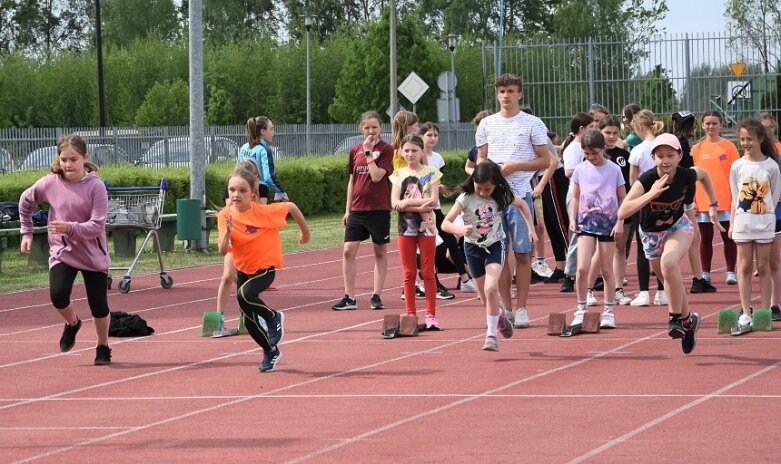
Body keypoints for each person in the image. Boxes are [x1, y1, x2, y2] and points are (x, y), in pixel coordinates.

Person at [618, 133, 722, 354]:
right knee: (670, 280)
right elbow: (622, 211)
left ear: (679, 156)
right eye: (660, 156)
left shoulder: (686, 175)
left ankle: (674, 319)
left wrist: (713, 204)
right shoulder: (646, 180)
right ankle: (687, 322)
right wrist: (651, 194)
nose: (665, 160)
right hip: (651, 235)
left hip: (678, 227)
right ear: (653, 157)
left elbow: (704, 176)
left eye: (670, 155)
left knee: (669, 263)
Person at [18, 134, 113, 365]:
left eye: (73, 159)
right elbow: (25, 201)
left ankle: (103, 346)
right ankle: (73, 323)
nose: (68, 165)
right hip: (63, 252)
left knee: (98, 305)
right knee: (58, 295)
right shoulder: (50, 182)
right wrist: (26, 232)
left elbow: (96, 226)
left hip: (93, 255)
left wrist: (68, 227)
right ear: (58, 160)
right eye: (63, 160)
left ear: (84, 158)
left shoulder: (96, 187)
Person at [217, 166, 310, 372]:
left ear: (252, 193)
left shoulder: (263, 212)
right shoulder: (225, 216)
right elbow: (223, 251)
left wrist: (305, 233)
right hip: (244, 271)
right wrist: (227, 234)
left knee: (244, 294)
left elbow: (292, 207)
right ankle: (270, 351)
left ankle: (272, 317)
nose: (236, 194)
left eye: (242, 190)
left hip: (265, 269)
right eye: (232, 190)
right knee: (249, 318)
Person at [476, 73, 551, 329]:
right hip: (493, 199)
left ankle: (522, 308)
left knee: (522, 253)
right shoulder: (486, 124)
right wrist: (488, 173)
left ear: (520, 94)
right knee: (500, 254)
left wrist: (515, 166)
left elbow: (546, 160)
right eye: (501, 91)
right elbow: (481, 160)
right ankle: (506, 307)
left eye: (510, 91)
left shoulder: (531, 123)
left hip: (519, 195)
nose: (506, 96)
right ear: (496, 94)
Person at [442, 160, 536, 351]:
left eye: (488, 189)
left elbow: (523, 206)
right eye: (480, 188)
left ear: (496, 185)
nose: (484, 193)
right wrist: (460, 229)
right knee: (485, 299)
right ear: (473, 182)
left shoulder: (502, 195)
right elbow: (445, 224)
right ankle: (500, 317)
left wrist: (531, 229)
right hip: (472, 248)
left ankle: (491, 335)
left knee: (491, 287)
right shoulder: (465, 198)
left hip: (495, 244)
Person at [332, 111, 394, 311]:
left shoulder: (386, 150)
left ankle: (376, 295)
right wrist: (347, 209)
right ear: (361, 129)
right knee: (348, 250)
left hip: (378, 208)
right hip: (358, 209)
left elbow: (376, 176)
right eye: (367, 127)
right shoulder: (355, 150)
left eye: (374, 127)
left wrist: (369, 153)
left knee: (379, 250)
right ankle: (349, 296)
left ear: (381, 128)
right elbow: (352, 180)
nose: (370, 131)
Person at [569, 129, 626, 328]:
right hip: (586, 222)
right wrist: (572, 218)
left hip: (608, 224)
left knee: (606, 269)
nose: (591, 157)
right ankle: (581, 308)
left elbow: (622, 197)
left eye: (595, 153)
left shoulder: (613, 170)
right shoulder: (580, 169)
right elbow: (576, 196)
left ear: (603, 148)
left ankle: (609, 311)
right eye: (587, 154)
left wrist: (620, 221)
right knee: (582, 268)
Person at [729, 118, 781, 328]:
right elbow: (735, 195)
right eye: (742, 139)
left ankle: (764, 312)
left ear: (760, 138)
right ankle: (746, 311)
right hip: (744, 224)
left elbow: (775, 195)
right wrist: (737, 220)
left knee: (764, 266)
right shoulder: (737, 166)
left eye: (749, 139)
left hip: (765, 224)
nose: (746, 143)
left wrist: (766, 215)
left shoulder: (771, 166)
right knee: (743, 267)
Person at [390, 134, 442, 330]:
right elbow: (394, 202)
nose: (410, 154)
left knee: (428, 272)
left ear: (422, 151)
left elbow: (433, 201)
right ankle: (410, 313)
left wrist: (408, 203)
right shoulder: (397, 175)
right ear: (401, 153)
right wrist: (418, 206)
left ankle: (431, 315)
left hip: (427, 227)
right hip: (405, 228)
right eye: (407, 150)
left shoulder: (432, 173)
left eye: (414, 150)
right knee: (409, 272)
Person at [212, 159, 268, 337]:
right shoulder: (233, 188)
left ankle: (253, 316)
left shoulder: (262, 190)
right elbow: (230, 209)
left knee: (252, 282)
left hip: (253, 241)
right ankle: (219, 319)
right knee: (227, 276)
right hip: (234, 239)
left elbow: (261, 212)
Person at [421, 121, 475, 295]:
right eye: (429, 135)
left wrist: (442, 189)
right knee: (429, 243)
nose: (432, 138)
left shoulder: (438, 158)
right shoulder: (417, 155)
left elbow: (436, 180)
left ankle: (465, 279)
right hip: (423, 208)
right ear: (422, 136)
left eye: (435, 135)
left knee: (450, 240)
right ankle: (429, 280)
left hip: (435, 207)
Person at [691, 111, 739, 286]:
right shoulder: (696, 149)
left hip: (725, 201)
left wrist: (735, 197)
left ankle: (731, 272)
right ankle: (705, 273)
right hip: (703, 202)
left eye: (714, 123)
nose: (711, 126)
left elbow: (736, 174)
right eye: (707, 123)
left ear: (721, 125)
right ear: (702, 125)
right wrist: (694, 200)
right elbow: (693, 177)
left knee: (729, 237)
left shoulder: (729, 147)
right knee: (705, 238)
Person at [672, 111, 716, 294]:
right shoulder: (680, 145)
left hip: (686, 198)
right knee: (688, 239)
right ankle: (689, 280)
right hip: (682, 199)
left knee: (694, 238)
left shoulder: (682, 143)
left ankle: (698, 279)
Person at [627, 109, 666, 307]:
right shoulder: (663, 145)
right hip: (665, 201)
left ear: (639, 127)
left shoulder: (638, 150)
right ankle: (662, 291)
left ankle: (644, 293)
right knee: (663, 247)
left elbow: (634, 181)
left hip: (644, 203)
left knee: (643, 248)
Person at [559, 112, 595, 294]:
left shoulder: (590, 147)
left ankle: (593, 275)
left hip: (594, 195)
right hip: (578, 194)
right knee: (577, 234)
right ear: (582, 129)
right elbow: (568, 172)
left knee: (596, 233)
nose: (595, 130)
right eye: (591, 127)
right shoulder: (572, 149)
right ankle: (569, 274)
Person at [599, 115, 633, 305]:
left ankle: (618, 288)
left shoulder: (625, 156)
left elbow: (628, 184)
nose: (611, 137)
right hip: (599, 210)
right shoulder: (593, 155)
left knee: (620, 247)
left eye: (614, 133)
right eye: (607, 133)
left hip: (621, 207)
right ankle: (590, 289)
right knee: (600, 250)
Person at [533, 129, 570, 284]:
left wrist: (540, 185)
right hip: (544, 177)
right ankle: (561, 267)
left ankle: (577, 265)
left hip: (553, 177)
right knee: (551, 224)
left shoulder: (533, 135)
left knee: (561, 223)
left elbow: (553, 162)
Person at [757, 112, 781, 320]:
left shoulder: (777, 160)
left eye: (769, 128)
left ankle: (774, 305)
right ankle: (749, 309)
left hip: (775, 214)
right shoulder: (745, 160)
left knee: (773, 261)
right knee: (754, 264)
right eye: (762, 129)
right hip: (753, 216)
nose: (767, 133)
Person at [237, 116, 288, 202]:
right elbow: (268, 177)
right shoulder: (264, 150)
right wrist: (282, 192)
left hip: (243, 188)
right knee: (259, 215)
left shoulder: (243, 148)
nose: (274, 132)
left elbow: (237, 171)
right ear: (263, 131)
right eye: (271, 129)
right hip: (260, 190)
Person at [465, 110, 494, 176]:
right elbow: (468, 167)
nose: (482, 132)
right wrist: (477, 174)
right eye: (479, 128)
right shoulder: (474, 150)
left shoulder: (502, 148)